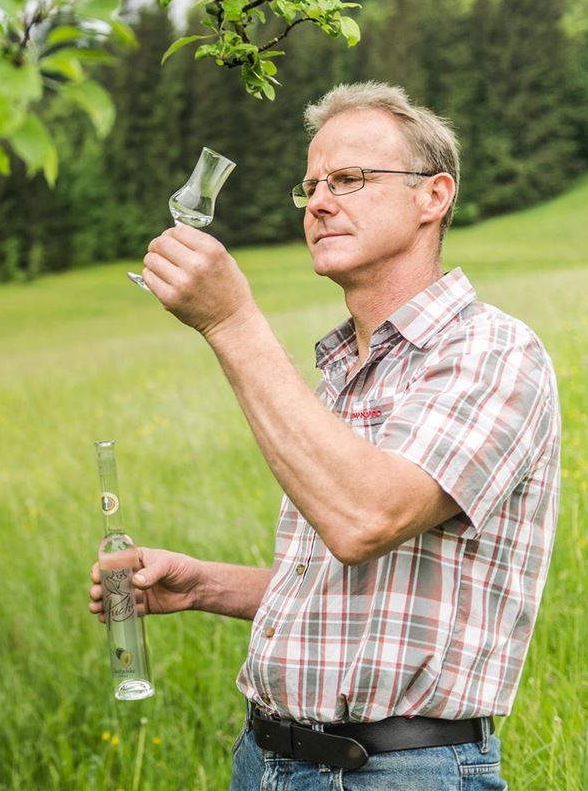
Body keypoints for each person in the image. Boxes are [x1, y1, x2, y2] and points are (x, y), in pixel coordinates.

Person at [88, 81, 560, 790]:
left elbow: (365, 519)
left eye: (349, 179)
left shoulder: (493, 351)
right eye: (309, 185)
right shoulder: (342, 373)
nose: (318, 202)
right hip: (267, 762)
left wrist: (230, 321)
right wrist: (204, 586)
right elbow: (356, 592)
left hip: (400, 772)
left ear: (433, 197)